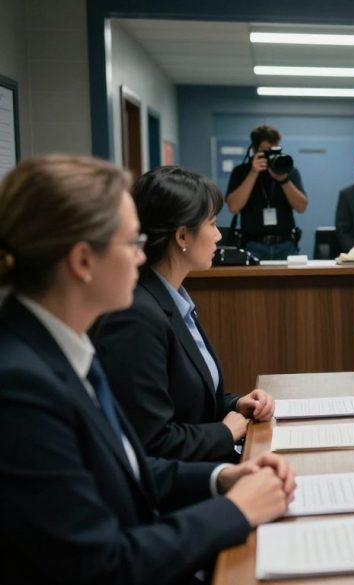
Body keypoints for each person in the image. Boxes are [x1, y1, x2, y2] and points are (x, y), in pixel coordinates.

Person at [0, 154, 294, 584]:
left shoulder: (61, 346)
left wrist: (223, 478)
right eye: (132, 243)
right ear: (83, 261)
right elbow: (102, 566)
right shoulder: (20, 387)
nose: (141, 259)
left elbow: (130, 468)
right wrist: (236, 509)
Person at [92, 167, 276, 463]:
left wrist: (236, 403)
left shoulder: (173, 299)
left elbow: (188, 401)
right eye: (213, 224)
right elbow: (151, 442)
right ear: (182, 236)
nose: (218, 235)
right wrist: (225, 433)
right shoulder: (136, 316)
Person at [225, 124, 308, 260]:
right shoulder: (241, 172)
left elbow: (301, 207)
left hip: (285, 245)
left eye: (273, 150)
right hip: (252, 245)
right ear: (254, 149)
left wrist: (283, 180)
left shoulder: (288, 170)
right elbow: (234, 207)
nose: (270, 156)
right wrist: (253, 173)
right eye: (265, 151)